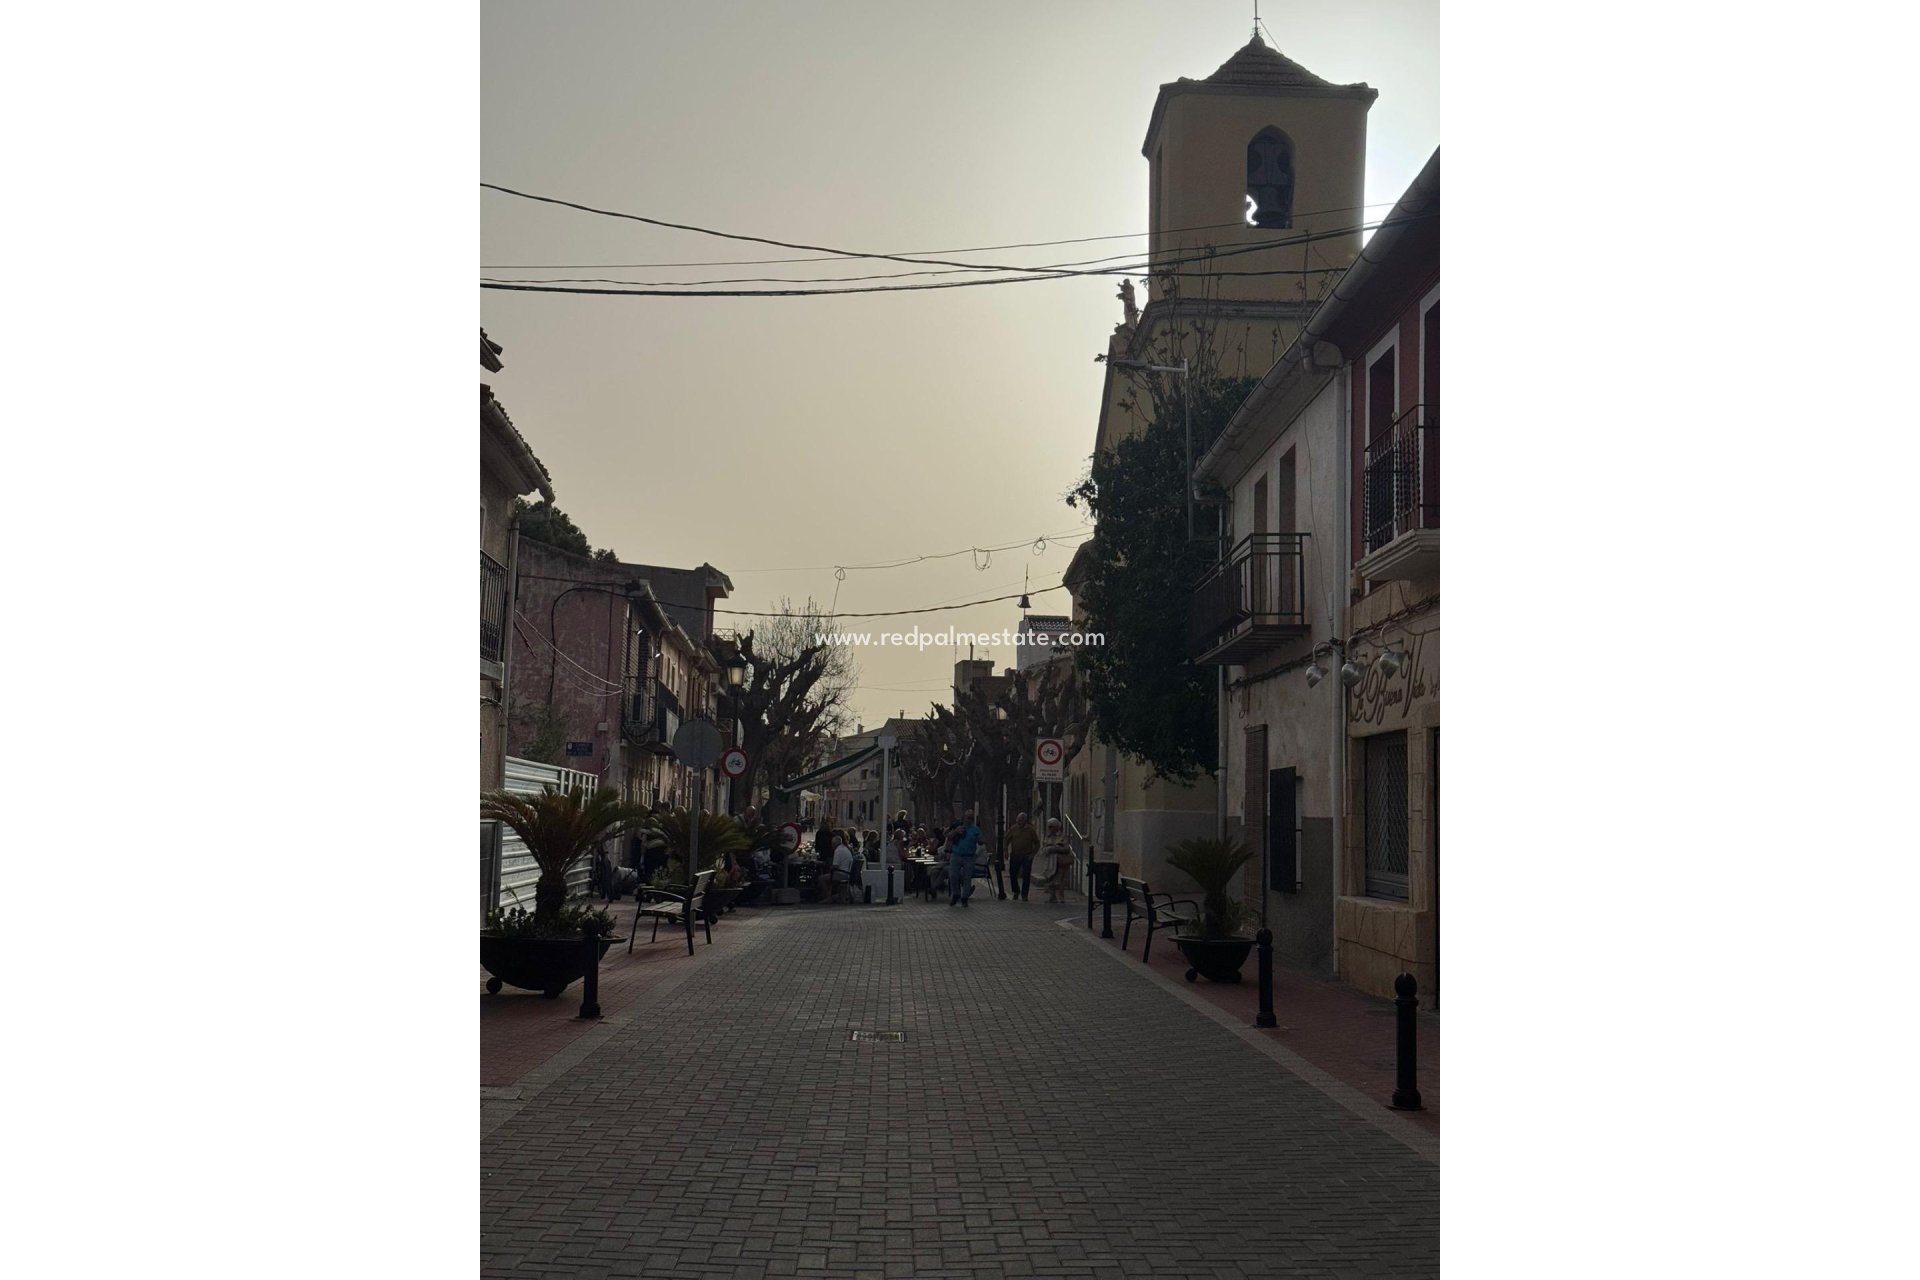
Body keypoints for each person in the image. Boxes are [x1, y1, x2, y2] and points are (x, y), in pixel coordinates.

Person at [946, 809, 982, 907]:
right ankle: (956, 894)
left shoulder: (976, 829)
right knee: (953, 875)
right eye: (968, 817)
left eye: (971, 818)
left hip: (969, 856)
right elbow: (948, 836)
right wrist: (955, 832)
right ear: (964, 818)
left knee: (967, 877)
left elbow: (981, 841)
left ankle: (965, 897)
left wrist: (980, 839)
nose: (969, 820)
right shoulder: (958, 826)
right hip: (956, 854)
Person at [1005, 812, 1039, 901]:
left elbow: (1037, 842)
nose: (1018, 822)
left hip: (1026, 855)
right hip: (1015, 854)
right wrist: (1005, 851)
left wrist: (1033, 853)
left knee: (1026, 875)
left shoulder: (1030, 830)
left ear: (1024, 820)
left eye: (1020, 820)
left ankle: (1025, 894)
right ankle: (1016, 890)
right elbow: (1006, 840)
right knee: (1013, 874)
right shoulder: (1013, 829)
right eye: (1018, 820)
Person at [1037, 818, 1074, 904]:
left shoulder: (1062, 836)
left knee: (1060, 880)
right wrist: (1047, 849)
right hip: (1050, 861)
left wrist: (1056, 848)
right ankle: (1052, 897)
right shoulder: (1047, 837)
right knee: (1050, 879)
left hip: (1060, 861)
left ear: (1057, 827)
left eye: (1052, 826)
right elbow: (1043, 848)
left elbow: (1066, 848)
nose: (1050, 829)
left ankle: (1061, 897)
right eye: (1049, 827)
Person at [830, 830, 857, 903]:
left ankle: (828, 897)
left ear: (834, 844)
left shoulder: (838, 851)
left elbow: (835, 866)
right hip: (847, 873)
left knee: (822, 878)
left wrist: (829, 867)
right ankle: (833, 896)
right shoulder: (846, 848)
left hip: (842, 873)